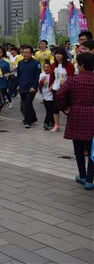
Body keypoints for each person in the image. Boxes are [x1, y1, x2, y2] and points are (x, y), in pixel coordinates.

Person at [57, 53, 94, 190]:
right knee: (92, 150)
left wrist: (65, 108)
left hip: (76, 115)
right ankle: (90, 180)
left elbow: (60, 94)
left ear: (82, 65)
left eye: (78, 63)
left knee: (78, 148)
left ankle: (82, 176)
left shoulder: (73, 80)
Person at [49, 47, 75, 133]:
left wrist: (66, 82)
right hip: (55, 89)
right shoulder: (53, 65)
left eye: (60, 54)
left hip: (66, 89)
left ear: (63, 55)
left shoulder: (69, 65)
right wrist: (50, 85)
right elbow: (52, 77)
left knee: (67, 107)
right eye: (56, 54)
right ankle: (56, 125)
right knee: (55, 107)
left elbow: (72, 77)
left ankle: (71, 125)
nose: (58, 56)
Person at [17, 46, 41, 128]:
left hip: (31, 88)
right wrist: (18, 85)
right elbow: (19, 75)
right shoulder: (20, 63)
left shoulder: (36, 63)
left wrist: (34, 86)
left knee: (27, 103)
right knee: (26, 104)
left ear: (31, 54)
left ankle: (28, 121)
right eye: (24, 52)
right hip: (22, 87)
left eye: (27, 52)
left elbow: (38, 76)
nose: (25, 54)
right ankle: (33, 118)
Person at [0, 46, 12, 111]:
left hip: (3, 82)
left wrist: (8, 74)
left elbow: (10, 72)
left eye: (0, 52)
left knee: (2, 94)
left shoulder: (6, 63)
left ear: (2, 53)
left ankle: (3, 104)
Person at [39, 62, 55, 130]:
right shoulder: (42, 74)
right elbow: (40, 85)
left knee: (49, 109)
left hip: (51, 94)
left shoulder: (53, 74)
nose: (46, 68)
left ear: (50, 67)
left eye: (47, 67)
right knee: (48, 109)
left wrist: (52, 86)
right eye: (44, 67)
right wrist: (42, 81)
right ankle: (52, 121)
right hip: (44, 94)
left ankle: (46, 123)